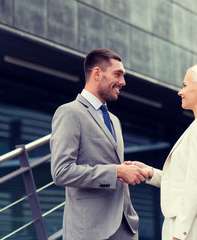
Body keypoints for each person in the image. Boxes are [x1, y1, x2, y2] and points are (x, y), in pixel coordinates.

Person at [50, 48, 148, 240]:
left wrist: (127, 170)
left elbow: (109, 162)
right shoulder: (70, 113)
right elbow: (61, 172)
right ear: (97, 73)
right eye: (117, 74)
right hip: (90, 231)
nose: (123, 82)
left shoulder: (114, 120)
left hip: (125, 227)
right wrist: (116, 172)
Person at [131, 64, 197, 240]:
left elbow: (196, 182)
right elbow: (184, 180)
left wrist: (180, 233)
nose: (180, 92)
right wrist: (150, 173)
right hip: (188, 220)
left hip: (189, 224)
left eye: (185, 85)